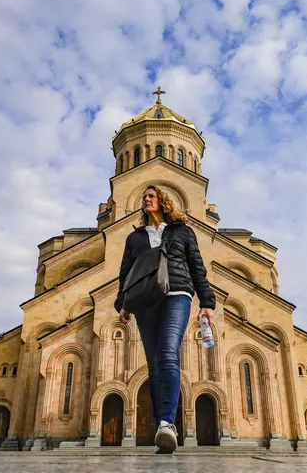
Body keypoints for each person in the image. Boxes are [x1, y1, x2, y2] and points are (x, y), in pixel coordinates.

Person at [115, 185, 216, 454]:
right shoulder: (134, 238)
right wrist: (121, 304)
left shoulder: (182, 230)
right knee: (154, 363)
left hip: (178, 294)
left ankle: (167, 422)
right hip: (146, 299)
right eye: (145, 196)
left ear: (163, 200)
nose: (147, 199)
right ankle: (162, 425)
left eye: (152, 196)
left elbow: (197, 265)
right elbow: (126, 272)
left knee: (169, 353)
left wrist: (207, 301)